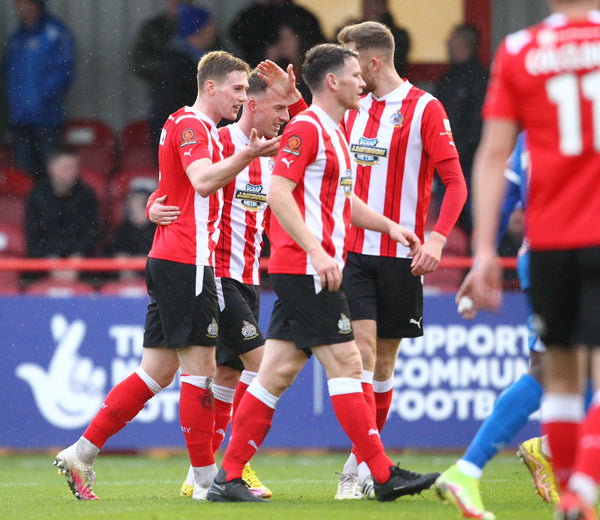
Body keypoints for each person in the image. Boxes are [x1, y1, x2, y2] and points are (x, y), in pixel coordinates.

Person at [206, 43, 439, 504]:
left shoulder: (331, 131)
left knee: (275, 373)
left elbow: (339, 202)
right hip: (307, 270)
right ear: (332, 82)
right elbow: (277, 191)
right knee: (350, 364)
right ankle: (381, 472)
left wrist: (391, 226)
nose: (362, 81)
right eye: (354, 74)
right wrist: (316, 250)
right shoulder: (310, 129)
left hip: (308, 269)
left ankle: (226, 477)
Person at [53, 50, 281, 501]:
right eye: (237, 89)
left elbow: (176, 183)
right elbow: (199, 181)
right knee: (202, 374)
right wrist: (247, 156)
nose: (242, 97)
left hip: (175, 259)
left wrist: (158, 200)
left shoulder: (182, 123)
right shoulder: (195, 125)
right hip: (188, 263)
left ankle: (81, 451)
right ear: (211, 87)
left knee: (155, 373)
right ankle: (204, 483)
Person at [458, 2, 600, 519]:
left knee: (558, 375)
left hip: (547, 246)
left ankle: (571, 495)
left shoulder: (520, 50)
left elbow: (493, 156)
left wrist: (481, 252)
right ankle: (582, 487)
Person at [147, 64, 307, 500]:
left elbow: (316, 139)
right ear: (251, 105)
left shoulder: (272, 151)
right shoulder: (216, 141)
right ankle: (230, 468)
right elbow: (178, 184)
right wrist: (153, 206)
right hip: (218, 275)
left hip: (251, 276)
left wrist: (295, 98)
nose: (286, 118)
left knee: (228, 378)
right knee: (266, 367)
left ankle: (208, 470)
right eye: (278, 108)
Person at [333, 21, 467, 499]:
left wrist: (436, 239)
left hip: (402, 257)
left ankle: (360, 464)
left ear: (371, 62)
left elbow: (456, 183)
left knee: (384, 363)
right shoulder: (348, 106)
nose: (343, 72)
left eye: (349, 61)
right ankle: (360, 471)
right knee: (361, 354)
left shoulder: (425, 108)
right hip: (351, 252)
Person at [433, 132, 558, 520]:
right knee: (551, 371)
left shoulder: (531, 131)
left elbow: (504, 194)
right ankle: (470, 470)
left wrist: (483, 254)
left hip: (559, 258)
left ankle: (549, 455)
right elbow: (504, 192)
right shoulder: (555, 125)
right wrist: (483, 256)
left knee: (561, 371)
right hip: (562, 260)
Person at [3, 0, 75, 179]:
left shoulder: (55, 33)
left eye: (22, 3)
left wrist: (40, 101)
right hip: (19, 118)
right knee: (22, 174)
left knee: (51, 173)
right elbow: (9, 73)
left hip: (47, 118)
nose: (18, 7)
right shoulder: (18, 36)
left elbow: (63, 73)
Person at [147, 4, 221, 160]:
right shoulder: (178, 64)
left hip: (187, 138)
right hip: (183, 142)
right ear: (197, 30)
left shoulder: (188, 59)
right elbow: (175, 106)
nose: (214, 31)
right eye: (209, 25)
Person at [434, 23, 488, 234]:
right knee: (445, 225)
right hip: (446, 163)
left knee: (475, 220)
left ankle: (474, 263)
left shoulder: (480, 79)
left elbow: (480, 125)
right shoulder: (447, 78)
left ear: (465, 43)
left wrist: (458, 151)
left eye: (452, 38)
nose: (447, 43)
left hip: (470, 164)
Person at [25, 145, 99, 266]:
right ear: (51, 168)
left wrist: (77, 260)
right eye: (65, 168)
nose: (71, 172)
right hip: (44, 261)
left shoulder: (87, 194)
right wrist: (49, 262)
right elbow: (32, 234)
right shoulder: (36, 195)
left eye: (74, 168)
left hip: (79, 261)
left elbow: (90, 232)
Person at [229, 0, 325, 68]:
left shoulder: (303, 16)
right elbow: (240, 40)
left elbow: (317, 43)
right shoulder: (249, 17)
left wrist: (299, 54)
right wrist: (265, 51)